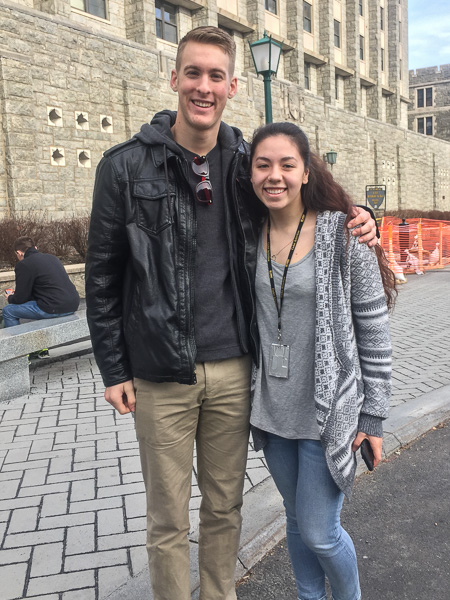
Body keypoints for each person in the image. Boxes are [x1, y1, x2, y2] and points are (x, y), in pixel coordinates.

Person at [85, 27, 378, 600]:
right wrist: (113, 368)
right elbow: (101, 276)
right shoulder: (123, 166)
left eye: (216, 76)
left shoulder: (245, 163)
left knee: (225, 507)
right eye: (193, 73)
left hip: (237, 370)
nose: (203, 86)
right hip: (160, 373)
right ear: (174, 78)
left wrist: (358, 211)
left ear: (233, 86)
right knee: (168, 520)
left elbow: (297, 196)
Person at [248, 122, 396, 600]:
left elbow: (373, 329)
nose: (275, 176)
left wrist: (372, 416)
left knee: (320, 530)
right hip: (272, 411)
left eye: (287, 164)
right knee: (295, 520)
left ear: (306, 170)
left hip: (328, 411)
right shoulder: (248, 230)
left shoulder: (344, 233)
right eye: (263, 164)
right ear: (250, 172)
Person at [2, 237, 80, 339]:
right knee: (34, 305)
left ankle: (19, 349)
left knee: (8, 311)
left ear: (19, 253)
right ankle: (41, 349)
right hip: (72, 304)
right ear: (35, 247)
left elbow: (20, 298)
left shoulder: (23, 265)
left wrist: (10, 298)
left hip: (53, 307)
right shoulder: (52, 258)